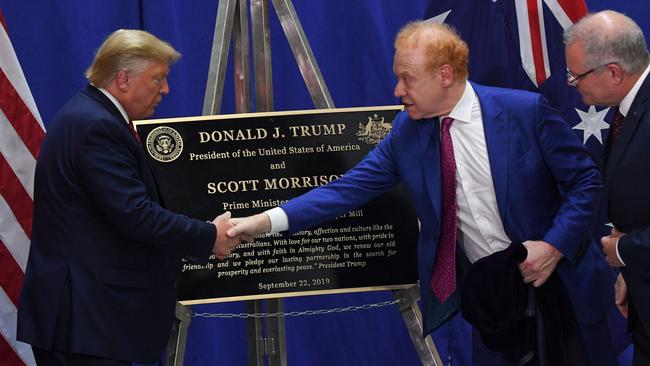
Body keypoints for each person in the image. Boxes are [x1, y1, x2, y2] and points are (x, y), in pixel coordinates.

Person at [228, 21, 618, 365]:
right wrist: (264, 222)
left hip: (563, 286)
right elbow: (347, 190)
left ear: (445, 74)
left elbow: (585, 182)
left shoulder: (524, 111)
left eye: (407, 78)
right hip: (494, 302)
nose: (398, 90)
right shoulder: (406, 133)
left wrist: (553, 247)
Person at [17, 29, 241, 365]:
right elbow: (136, 215)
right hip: (84, 324)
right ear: (123, 79)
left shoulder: (93, 117)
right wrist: (209, 236)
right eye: (158, 79)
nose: (166, 90)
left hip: (89, 323)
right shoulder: (96, 128)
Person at [565, 10, 650, 366]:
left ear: (614, 72)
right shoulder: (629, 109)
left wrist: (626, 250)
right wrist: (631, 272)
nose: (571, 83)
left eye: (576, 75)